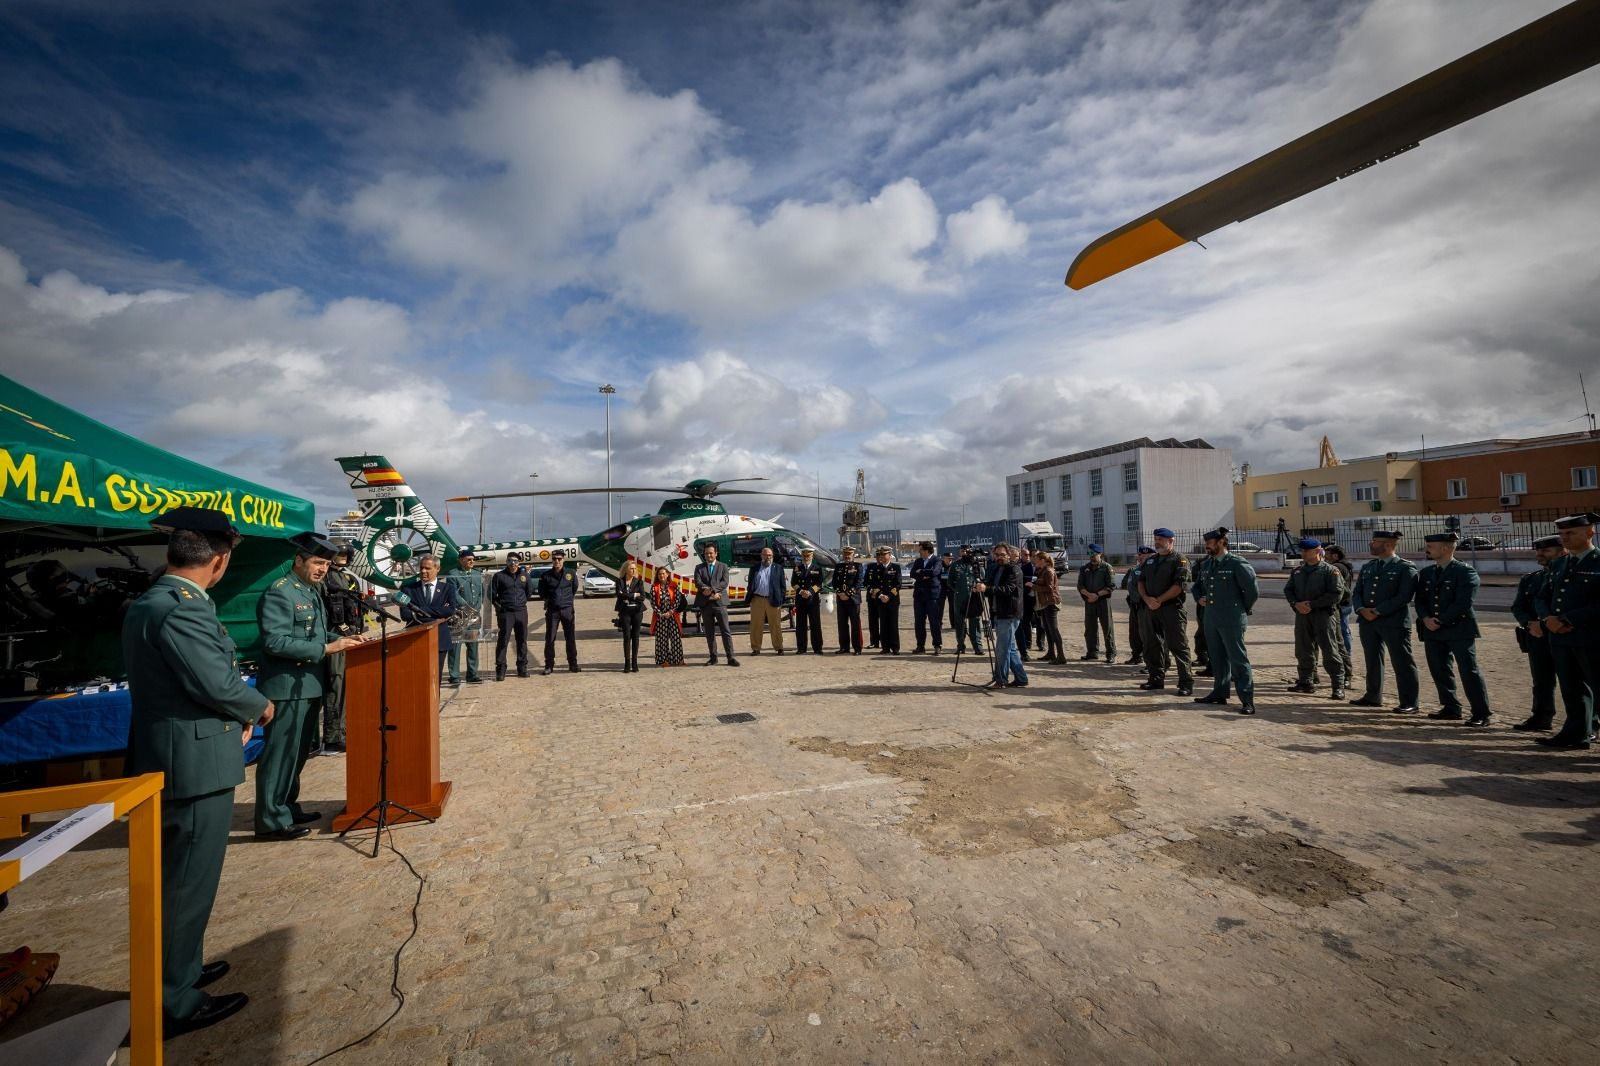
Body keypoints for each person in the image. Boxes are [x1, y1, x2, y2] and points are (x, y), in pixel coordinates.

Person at [124, 507, 274, 1036]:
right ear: (220, 560)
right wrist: (257, 706)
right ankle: (172, 999)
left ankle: (180, 967)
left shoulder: (154, 601)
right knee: (187, 883)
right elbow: (213, 681)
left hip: (176, 754)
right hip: (193, 764)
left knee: (179, 879)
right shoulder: (182, 608)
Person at [255, 532, 362, 841]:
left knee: (298, 753)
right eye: (317, 562)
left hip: (308, 684)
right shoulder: (281, 592)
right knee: (280, 754)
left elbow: (314, 635)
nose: (322, 569)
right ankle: (270, 821)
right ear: (298, 560)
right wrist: (327, 649)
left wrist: (342, 640)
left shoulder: (310, 591)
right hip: (287, 687)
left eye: (326, 564)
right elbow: (275, 641)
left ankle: (287, 806)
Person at [1535, 511, 1600, 749]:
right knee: (1571, 689)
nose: (1565, 538)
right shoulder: (1560, 564)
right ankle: (1576, 733)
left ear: (1590, 532)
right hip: (1560, 638)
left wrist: (1568, 618)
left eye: (1571, 532)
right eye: (1562, 533)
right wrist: (1548, 619)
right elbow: (1542, 597)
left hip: (1590, 637)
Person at [1415, 531, 1492, 725]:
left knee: (1469, 671)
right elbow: (1420, 601)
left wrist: (1439, 620)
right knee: (1439, 669)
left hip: (1458, 629)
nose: (1427, 549)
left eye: (1431, 546)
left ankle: (1481, 712)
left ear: (1446, 548)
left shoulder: (1465, 572)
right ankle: (1450, 707)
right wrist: (1425, 618)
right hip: (1432, 630)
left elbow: (1463, 603)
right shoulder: (1427, 573)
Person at [1348, 530, 1421, 714]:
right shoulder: (1369, 566)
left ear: (1388, 545)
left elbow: (1404, 596)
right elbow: (1357, 592)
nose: (1371, 544)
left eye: (1375, 541)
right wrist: (1361, 609)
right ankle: (1373, 696)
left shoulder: (1405, 567)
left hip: (1393, 621)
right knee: (1372, 660)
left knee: (1402, 661)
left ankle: (1409, 701)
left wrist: (1379, 611)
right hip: (1368, 621)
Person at [1191, 528, 1259, 713]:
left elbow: (1252, 591)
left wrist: (1240, 609)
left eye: (1210, 543)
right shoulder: (1207, 564)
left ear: (1222, 542)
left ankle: (1247, 699)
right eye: (1206, 543)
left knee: (1238, 659)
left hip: (1232, 617)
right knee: (1217, 658)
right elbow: (1196, 587)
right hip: (1211, 617)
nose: (1206, 546)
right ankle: (1219, 693)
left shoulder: (1237, 563)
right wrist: (1199, 598)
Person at [1511, 535, 1565, 732]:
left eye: (1546, 550)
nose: (1540, 554)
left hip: (1564, 635)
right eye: (1538, 550)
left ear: (1562, 552)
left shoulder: (1569, 577)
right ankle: (1541, 716)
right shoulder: (1531, 579)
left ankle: (1589, 723)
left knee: (1577, 682)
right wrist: (1529, 623)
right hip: (1537, 636)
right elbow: (1518, 607)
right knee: (1542, 680)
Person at [1284, 538, 1348, 699]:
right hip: (1303, 615)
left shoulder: (1330, 571)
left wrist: (1312, 604)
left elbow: (1336, 594)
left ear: (1318, 551)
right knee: (1303, 649)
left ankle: (1338, 685)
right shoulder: (1298, 571)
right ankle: (1306, 681)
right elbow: (1289, 590)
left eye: (1306, 551)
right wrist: (1296, 604)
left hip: (1323, 615)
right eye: (1302, 550)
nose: (1303, 553)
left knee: (1330, 650)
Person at [318, 543, 366, 751]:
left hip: (352, 637)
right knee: (336, 685)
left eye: (346, 553)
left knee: (348, 686)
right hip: (335, 638)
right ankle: (333, 735)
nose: (343, 557)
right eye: (340, 553)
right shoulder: (325, 578)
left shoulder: (349, 579)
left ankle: (344, 730)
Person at [1137, 528, 1194, 695]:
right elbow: (1141, 582)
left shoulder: (1180, 560)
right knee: (1151, 645)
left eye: (1161, 539)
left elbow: (1179, 586)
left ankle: (1185, 683)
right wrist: (1147, 599)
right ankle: (1155, 679)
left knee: (1178, 646)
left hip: (1171, 609)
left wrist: (1159, 600)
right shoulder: (1150, 561)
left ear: (1171, 541)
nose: (1157, 542)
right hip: (1151, 609)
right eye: (1156, 539)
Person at [400, 554, 458, 685]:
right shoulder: (408, 589)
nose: (423, 571)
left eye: (427, 568)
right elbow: (405, 614)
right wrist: (437, 612)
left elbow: (449, 610)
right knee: (416, 680)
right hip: (415, 640)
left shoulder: (447, 589)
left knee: (435, 680)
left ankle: (434, 705)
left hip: (439, 641)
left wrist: (419, 610)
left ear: (437, 569)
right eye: (421, 568)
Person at [977, 544, 1027, 687]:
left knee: (1002, 649)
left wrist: (988, 588)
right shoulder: (996, 569)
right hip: (999, 613)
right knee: (1010, 648)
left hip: (1009, 614)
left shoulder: (1014, 569)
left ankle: (1001, 679)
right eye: (997, 554)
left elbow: (1008, 589)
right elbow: (991, 589)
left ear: (1009, 555)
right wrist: (981, 587)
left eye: (1002, 554)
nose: (1000, 557)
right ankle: (1021, 678)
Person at [443, 548, 485, 685]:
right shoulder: (453, 574)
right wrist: (467, 608)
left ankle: (472, 674)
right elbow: (454, 594)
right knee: (456, 646)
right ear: (461, 560)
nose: (472, 562)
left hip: (474, 617)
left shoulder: (478, 574)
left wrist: (477, 607)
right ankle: (454, 675)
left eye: (473, 559)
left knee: (473, 646)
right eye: (469, 559)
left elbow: (481, 594)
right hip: (458, 617)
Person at [693, 544, 739, 666]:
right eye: (707, 553)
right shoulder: (699, 567)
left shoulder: (723, 566)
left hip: (720, 602)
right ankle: (713, 657)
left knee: (726, 631)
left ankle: (731, 657)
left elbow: (724, 582)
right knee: (709, 632)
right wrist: (708, 592)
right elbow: (698, 582)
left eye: (711, 553)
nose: (709, 555)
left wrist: (713, 591)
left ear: (716, 553)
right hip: (705, 603)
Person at [537, 549, 580, 674]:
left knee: (570, 638)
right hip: (553, 611)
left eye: (559, 559)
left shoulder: (571, 573)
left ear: (563, 560)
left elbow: (574, 588)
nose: (557, 561)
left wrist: (566, 601)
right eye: (555, 559)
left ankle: (573, 664)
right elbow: (542, 593)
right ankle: (549, 665)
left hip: (567, 610)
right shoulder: (546, 575)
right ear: (552, 560)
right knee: (550, 638)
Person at [491, 552, 531, 681]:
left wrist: (520, 602)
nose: (512, 563)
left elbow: (529, 592)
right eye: (509, 561)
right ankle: (501, 669)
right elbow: (491, 595)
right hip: (506, 613)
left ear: (519, 562)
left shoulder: (524, 576)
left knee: (522, 640)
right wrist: (500, 608)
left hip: (521, 612)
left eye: (515, 561)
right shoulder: (499, 576)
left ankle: (522, 667)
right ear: (506, 562)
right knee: (503, 641)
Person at [1077, 544, 1116, 663]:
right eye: (1090, 555)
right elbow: (1080, 585)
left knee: (1107, 628)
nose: (1092, 557)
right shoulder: (1084, 569)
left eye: (1094, 555)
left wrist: (1097, 595)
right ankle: (1092, 652)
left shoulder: (1106, 568)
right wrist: (1089, 595)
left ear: (1100, 555)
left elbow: (1111, 586)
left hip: (1103, 602)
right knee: (1090, 628)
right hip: (1089, 602)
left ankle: (1111, 653)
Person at [746, 545, 788, 654]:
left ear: (772, 556)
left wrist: (781, 600)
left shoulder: (778, 568)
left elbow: (783, 586)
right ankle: (756, 648)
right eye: (765, 555)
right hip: (757, 599)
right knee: (756, 625)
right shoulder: (754, 568)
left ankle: (779, 647)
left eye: (770, 555)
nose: (767, 557)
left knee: (775, 625)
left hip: (773, 600)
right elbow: (750, 584)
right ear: (761, 556)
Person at [1324, 544, 1356, 673]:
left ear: (1335, 555)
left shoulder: (1337, 567)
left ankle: (1345, 654)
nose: (1325, 557)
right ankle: (1345, 653)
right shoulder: (1345, 566)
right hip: (1345, 603)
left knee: (1343, 631)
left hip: (1341, 604)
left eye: (1328, 554)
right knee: (1344, 629)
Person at [946, 546, 983, 655]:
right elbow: (950, 581)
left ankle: (977, 647)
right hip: (960, 598)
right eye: (962, 551)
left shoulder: (976, 564)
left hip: (974, 598)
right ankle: (960, 645)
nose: (964, 553)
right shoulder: (956, 564)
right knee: (960, 623)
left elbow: (983, 577)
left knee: (974, 622)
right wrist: (957, 590)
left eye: (966, 551)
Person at [1122, 546, 1155, 666]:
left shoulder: (1152, 570)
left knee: (1146, 634)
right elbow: (1126, 585)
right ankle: (1136, 655)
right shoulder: (1135, 569)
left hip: (1145, 606)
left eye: (1143, 556)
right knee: (1134, 633)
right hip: (1134, 605)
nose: (1140, 557)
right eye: (1139, 555)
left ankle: (1151, 661)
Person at [910, 541, 944, 654]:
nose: (919, 552)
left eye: (920, 550)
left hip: (932, 595)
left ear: (926, 550)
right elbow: (912, 573)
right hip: (919, 595)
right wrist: (923, 575)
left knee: (934, 621)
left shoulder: (937, 560)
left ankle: (937, 645)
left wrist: (922, 572)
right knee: (919, 621)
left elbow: (935, 572)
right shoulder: (918, 561)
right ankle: (920, 645)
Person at [791, 546, 827, 654]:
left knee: (815, 624)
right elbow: (793, 583)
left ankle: (817, 647)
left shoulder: (817, 568)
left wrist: (810, 592)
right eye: (804, 555)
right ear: (802, 556)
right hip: (801, 599)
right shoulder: (797, 568)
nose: (806, 557)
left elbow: (819, 584)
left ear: (812, 556)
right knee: (801, 625)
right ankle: (801, 647)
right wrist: (801, 591)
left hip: (812, 600)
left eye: (808, 555)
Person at [1033, 549, 1065, 663]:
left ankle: (1061, 656)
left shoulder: (1049, 571)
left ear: (1043, 560)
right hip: (1045, 603)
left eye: (1036, 560)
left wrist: (1033, 586)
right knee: (1047, 629)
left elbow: (1050, 588)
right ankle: (1051, 653)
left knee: (1053, 629)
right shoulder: (1043, 570)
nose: (1035, 562)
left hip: (1051, 603)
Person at [868, 547, 902, 654]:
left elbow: (898, 584)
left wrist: (889, 596)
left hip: (892, 600)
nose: (882, 557)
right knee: (883, 625)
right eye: (880, 555)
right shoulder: (877, 569)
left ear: (889, 555)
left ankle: (895, 647)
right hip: (881, 600)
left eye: (884, 554)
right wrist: (880, 595)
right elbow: (873, 585)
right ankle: (885, 647)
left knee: (893, 624)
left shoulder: (896, 567)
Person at [651, 567, 687, 667]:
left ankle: (678, 660)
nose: (661, 576)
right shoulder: (654, 587)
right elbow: (653, 604)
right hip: (661, 617)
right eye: (659, 574)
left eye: (663, 573)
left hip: (672, 616)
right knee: (662, 640)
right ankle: (663, 661)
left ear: (667, 574)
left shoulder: (674, 585)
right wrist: (661, 614)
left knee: (676, 638)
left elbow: (678, 600)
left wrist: (671, 611)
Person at [614, 560, 646, 672]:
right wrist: (634, 595)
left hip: (637, 611)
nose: (633, 570)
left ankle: (635, 663)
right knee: (627, 637)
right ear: (626, 569)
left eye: (634, 568)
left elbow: (642, 597)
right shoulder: (619, 581)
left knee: (636, 637)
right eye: (631, 568)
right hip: (625, 612)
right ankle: (627, 663)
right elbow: (619, 595)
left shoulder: (639, 582)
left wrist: (627, 595)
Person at [832, 546, 864, 654]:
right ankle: (844, 647)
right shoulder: (839, 566)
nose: (847, 556)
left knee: (855, 624)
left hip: (853, 600)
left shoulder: (858, 566)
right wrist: (839, 593)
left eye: (849, 554)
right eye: (845, 554)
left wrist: (848, 594)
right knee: (842, 624)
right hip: (841, 599)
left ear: (853, 555)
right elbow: (834, 582)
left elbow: (859, 582)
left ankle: (857, 648)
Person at [1017, 550, 1037, 660]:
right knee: (1026, 622)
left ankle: (1041, 643)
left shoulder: (1042, 568)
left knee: (1040, 623)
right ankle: (1028, 643)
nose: (1029, 557)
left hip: (1038, 599)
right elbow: (1021, 582)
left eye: (1031, 555)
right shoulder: (1023, 568)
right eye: (1028, 555)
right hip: (1027, 598)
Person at [864, 550, 884, 649]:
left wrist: (879, 591)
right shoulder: (871, 567)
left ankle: (884, 642)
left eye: (881, 556)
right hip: (871, 597)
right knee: (872, 621)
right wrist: (871, 589)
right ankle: (874, 641)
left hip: (882, 598)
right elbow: (865, 581)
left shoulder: (886, 567)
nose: (879, 558)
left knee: (884, 621)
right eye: (878, 556)